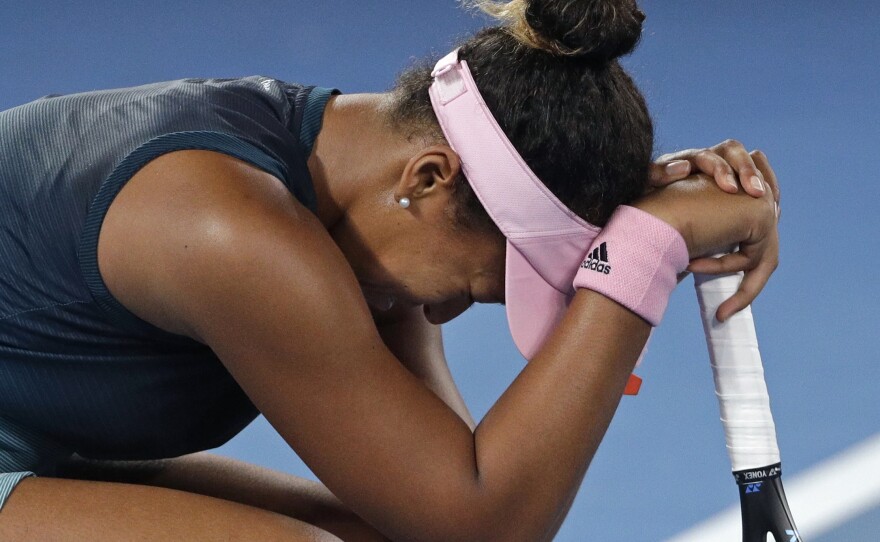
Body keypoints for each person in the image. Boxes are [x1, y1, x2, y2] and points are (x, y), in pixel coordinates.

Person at [0, 0, 780, 540]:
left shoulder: (349, 177)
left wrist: (621, 213)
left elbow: (441, 515)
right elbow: (484, 524)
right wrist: (647, 244)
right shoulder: (231, 235)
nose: (441, 317)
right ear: (429, 179)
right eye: (477, 287)